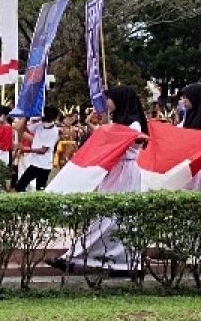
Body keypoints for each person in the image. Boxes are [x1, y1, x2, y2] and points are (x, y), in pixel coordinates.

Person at [54, 86, 149, 275]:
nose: (107, 102)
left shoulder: (134, 125)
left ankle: (84, 256)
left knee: (115, 216)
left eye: (110, 99)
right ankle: (98, 258)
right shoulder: (120, 122)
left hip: (125, 171)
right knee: (105, 215)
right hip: (114, 170)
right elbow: (107, 135)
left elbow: (126, 140)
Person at [15, 107, 60, 191]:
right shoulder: (39, 125)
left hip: (44, 165)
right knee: (19, 186)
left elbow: (43, 150)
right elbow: (21, 128)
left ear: (53, 119)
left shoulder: (54, 131)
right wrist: (27, 116)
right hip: (35, 163)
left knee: (40, 189)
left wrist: (26, 149)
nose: (45, 120)